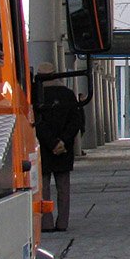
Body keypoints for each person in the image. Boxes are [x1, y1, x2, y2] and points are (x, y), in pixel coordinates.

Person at [33, 62, 85, 232]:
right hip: (64, 149)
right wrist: (63, 141)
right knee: (63, 188)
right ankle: (62, 223)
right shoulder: (68, 94)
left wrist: (51, 142)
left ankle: (46, 223)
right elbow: (76, 121)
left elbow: (37, 123)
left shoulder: (35, 96)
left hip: (44, 148)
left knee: (44, 188)